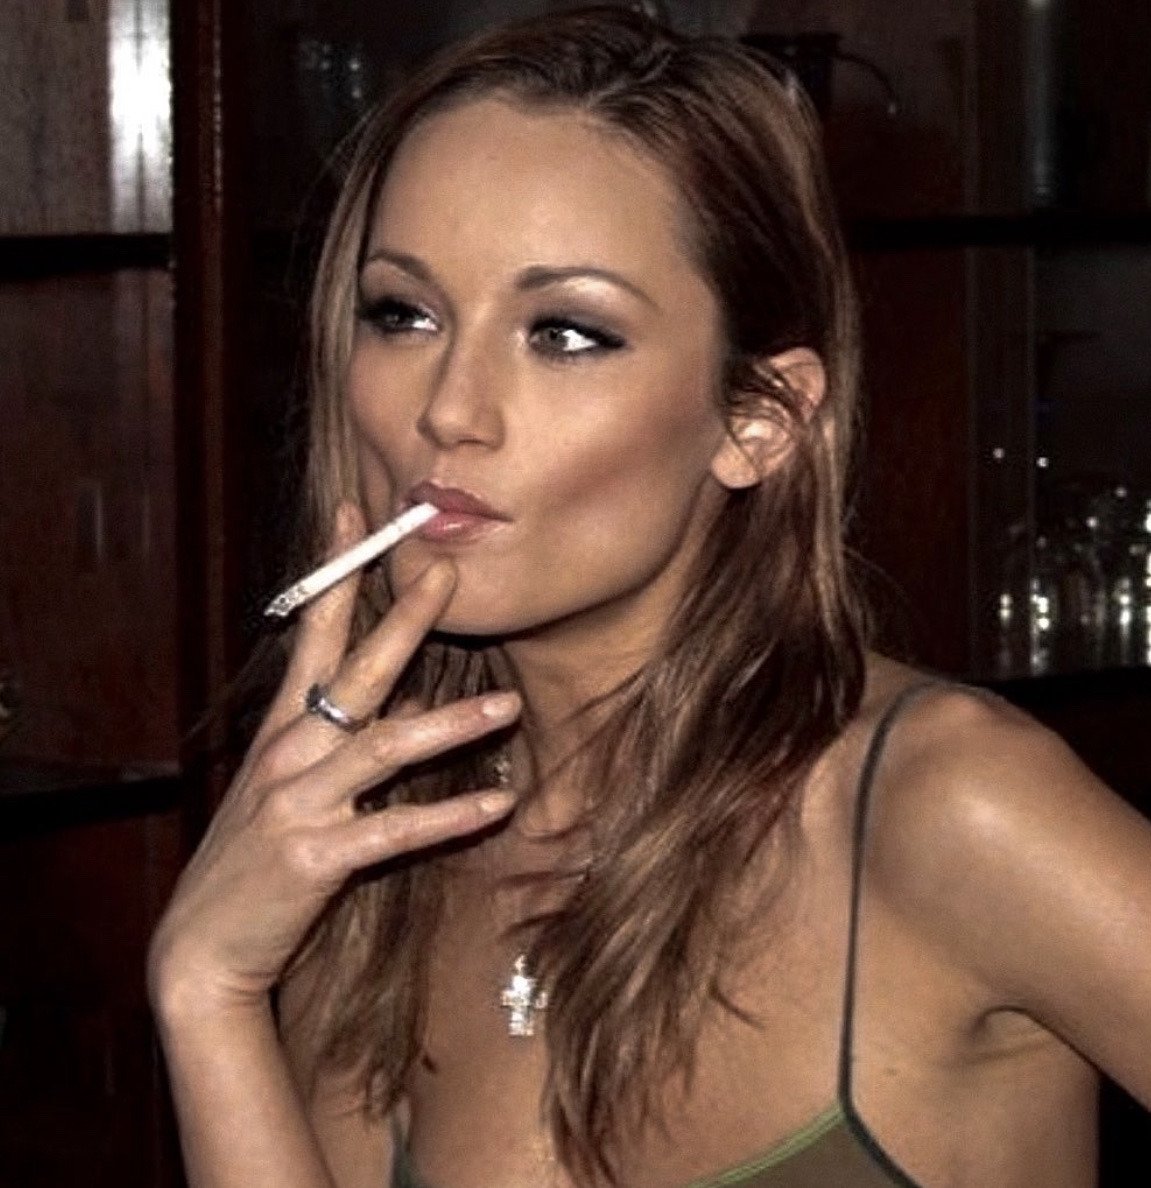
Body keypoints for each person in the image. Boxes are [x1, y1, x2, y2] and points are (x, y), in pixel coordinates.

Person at [147, 7, 1151, 1186]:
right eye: (402, 314)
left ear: (756, 420)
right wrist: (206, 987)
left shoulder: (949, 809)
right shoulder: (366, 856)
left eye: (565, 333)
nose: (448, 410)